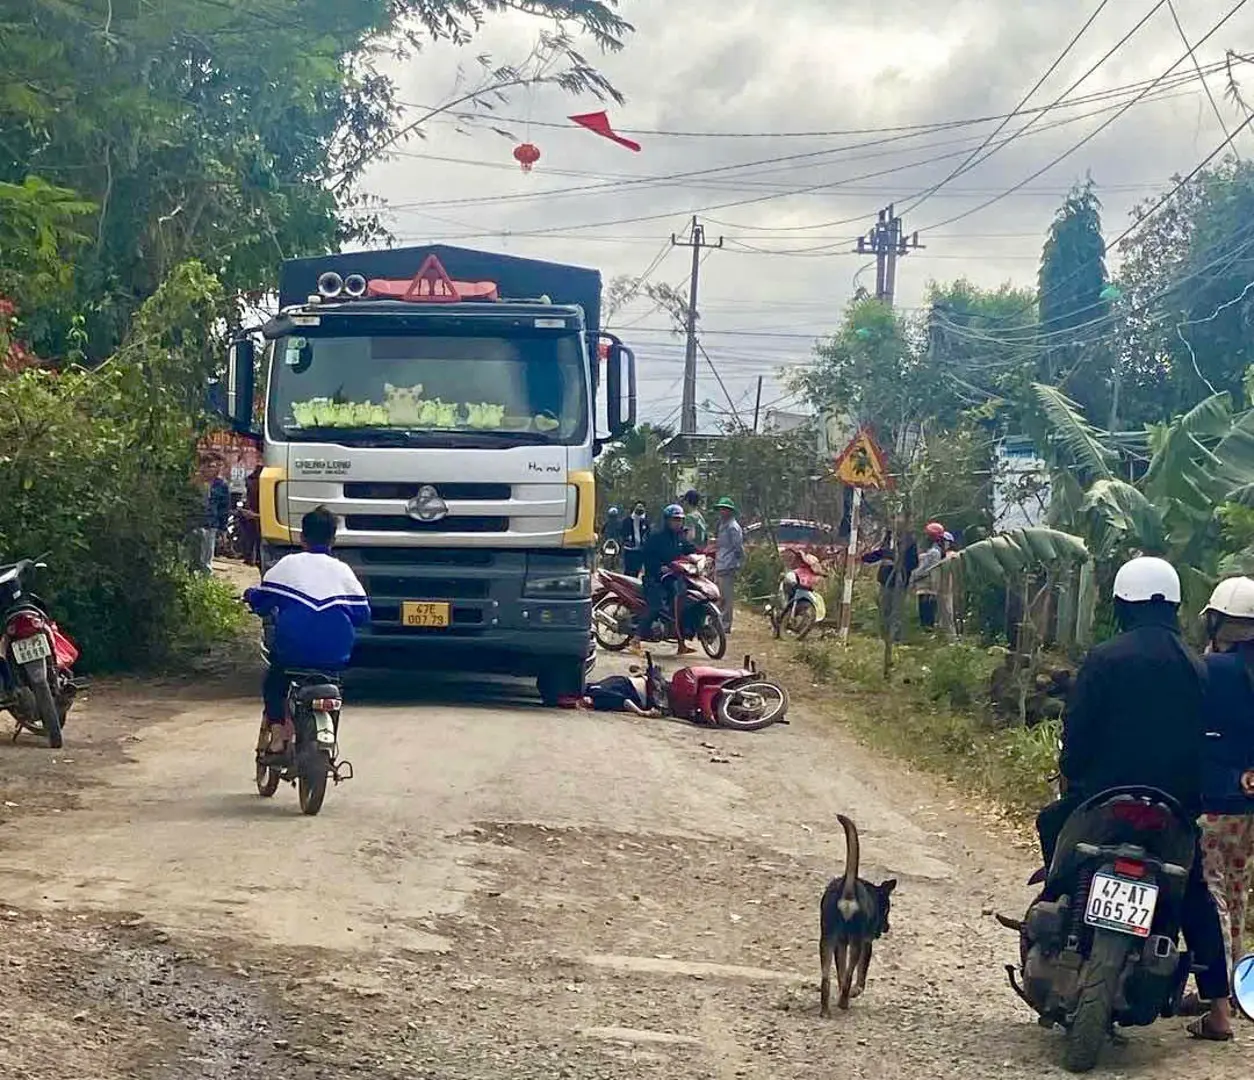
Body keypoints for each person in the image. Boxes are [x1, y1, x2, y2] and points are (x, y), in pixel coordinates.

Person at [1035, 555, 1232, 1041]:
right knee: (1195, 896)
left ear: (1124, 603)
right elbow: (1205, 742)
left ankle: (1050, 912)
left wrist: (1074, 776)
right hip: (1172, 809)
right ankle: (1221, 1008)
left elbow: (1077, 734)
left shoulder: (1104, 658)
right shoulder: (1197, 667)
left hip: (1103, 800)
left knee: (1049, 826)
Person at [244, 507, 370, 755]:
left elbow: (262, 602)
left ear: (302, 537)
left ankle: (279, 731)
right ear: (333, 539)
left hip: (293, 654)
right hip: (334, 658)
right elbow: (362, 616)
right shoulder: (344, 572)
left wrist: (250, 596)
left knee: (274, 683)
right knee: (336, 684)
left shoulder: (287, 566)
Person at [1197, 576, 1254, 975]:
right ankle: (1236, 979)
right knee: (1237, 891)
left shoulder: (1210, 669)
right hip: (1248, 804)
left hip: (1212, 798)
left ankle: (1216, 988)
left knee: (1208, 888)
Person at [638, 503, 697, 655]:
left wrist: (699, 556)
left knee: (680, 605)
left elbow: (690, 549)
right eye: (674, 520)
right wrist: (659, 567)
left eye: (680, 520)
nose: (677, 523)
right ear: (667, 520)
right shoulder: (656, 537)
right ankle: (635, 639)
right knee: (656, 606)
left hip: (672, 578)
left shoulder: (679, 537)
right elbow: (647, 557)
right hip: (654, 579)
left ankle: (681, 643)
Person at [861, 530, 919, 643]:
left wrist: (899, 565)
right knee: (884, 609)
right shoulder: (888, 538)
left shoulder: (909, 542)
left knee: (896, 610)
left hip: (899, 582)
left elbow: (914, 562)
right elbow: (881, 553)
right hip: (884, 580)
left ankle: (895, 638)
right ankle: (885, 636)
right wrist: (864, 558)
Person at [713, 496, 744, 633]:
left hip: (728, 564)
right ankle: (719, 622)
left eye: (725, 509)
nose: (722, 512)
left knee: (727, 596)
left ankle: (726, 625)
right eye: (721, 509)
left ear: (730, 511)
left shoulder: (733, 527)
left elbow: (738, 548)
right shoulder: (721, 525)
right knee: (719, 595)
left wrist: (737, 563)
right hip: (720, 562)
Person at [914, 522, 947, 630]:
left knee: (926, 612)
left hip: (926, 585)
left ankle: (927, 630)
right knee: (930, 611)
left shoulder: (933, 552)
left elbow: (925, 568)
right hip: (930, 585)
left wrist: (913, 576)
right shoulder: (938, 551)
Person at [240, 463, 263, 568]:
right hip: (254, 513)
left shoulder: (251, 481)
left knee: (251, 536)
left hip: (254, 513)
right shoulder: (255, 482)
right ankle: (252, 558)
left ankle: (251, 557)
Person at [623, 500, 650, 577]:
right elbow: (623, 533)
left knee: (637, 570)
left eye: (642, 507)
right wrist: (627, 540)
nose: (640, 508)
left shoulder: (646, 521)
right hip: (629, 549)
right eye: (638, 507)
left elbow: (648, 534)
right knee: (628, 571)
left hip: (641, 550)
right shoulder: (627, 520)